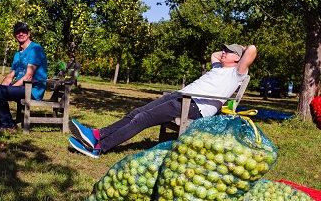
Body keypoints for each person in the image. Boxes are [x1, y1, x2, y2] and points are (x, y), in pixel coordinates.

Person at [69, 44, 257, 158]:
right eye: (224, 49)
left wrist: (241, 48)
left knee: (142, 119)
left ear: (238, 58)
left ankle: (100, 147)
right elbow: (215, 55)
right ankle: (96, 135)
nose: (223, 52)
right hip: (179, 97)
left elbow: (252, 51)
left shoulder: (236, 73)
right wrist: (229, 51)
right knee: (136, 113)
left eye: (228, 51)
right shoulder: (218, 67)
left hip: (193, 106)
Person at [0, 22, 48, 133]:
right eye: (18, 32)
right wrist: (0, 89)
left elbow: (29, 76)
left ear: (29, 34)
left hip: (32, 90)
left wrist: (5, 91)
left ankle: (8, 126)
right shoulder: (17, 54)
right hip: (21, 87)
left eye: (24, 31)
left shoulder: (35, 49)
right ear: (15, 35)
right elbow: (10, 75)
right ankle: (4, 122)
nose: (21, 34)